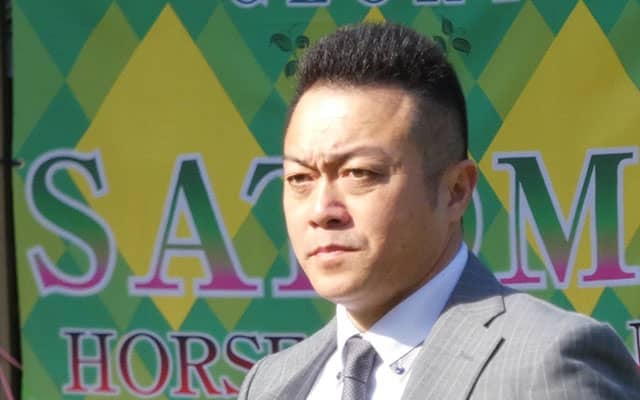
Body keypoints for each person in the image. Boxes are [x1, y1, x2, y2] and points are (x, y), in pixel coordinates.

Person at [238, 23, 640, 399]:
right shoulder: (268, 383)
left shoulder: (548, 363)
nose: (322, 210)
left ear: (456, 191)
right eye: (300, 178)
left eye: (359, 173)